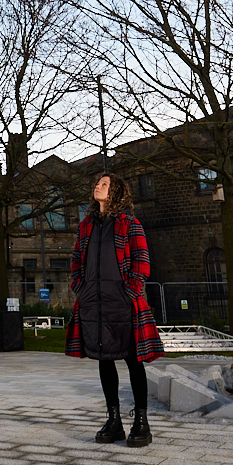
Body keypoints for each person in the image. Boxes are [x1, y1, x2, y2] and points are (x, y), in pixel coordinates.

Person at [66, 172, 161, 447]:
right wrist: (80, 289)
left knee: (133, 362)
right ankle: (114, 420)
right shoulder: (85, 227)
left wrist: (126, 293)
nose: (97, 186)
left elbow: (142, 264)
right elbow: (75, 262)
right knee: (104, 360)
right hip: (93, 304)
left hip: (122, 305)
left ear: (116, 192)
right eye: (97, 182)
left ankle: (141, 423)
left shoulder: (130, 224)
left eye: (104, 184)